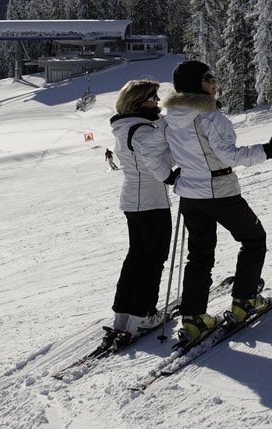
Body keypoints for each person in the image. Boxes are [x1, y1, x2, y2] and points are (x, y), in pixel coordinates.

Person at [162, 60, 272, 344]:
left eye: (214, 77)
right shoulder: (208, 115)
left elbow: (165, 154)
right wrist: (269, 149)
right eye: (209, 78)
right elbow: (230, 156)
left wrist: (171, 176)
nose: (214, 83)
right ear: (196, 84)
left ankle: (194, 319)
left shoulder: (170, 117)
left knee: (199, 255)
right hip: (219, 191)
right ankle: (244, 301)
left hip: (190, 196)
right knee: (254, 239)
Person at [97, 79, 179, 352]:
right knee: (153, 259)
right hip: (151, 202)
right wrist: (170, 175)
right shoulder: (142, 129)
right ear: (138, 101)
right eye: (152, 98)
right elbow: (153, 156)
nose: (157, 102)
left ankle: (124, 312)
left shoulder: (125, 126)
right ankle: (143, 313)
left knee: (137, 257)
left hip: (134, 200)